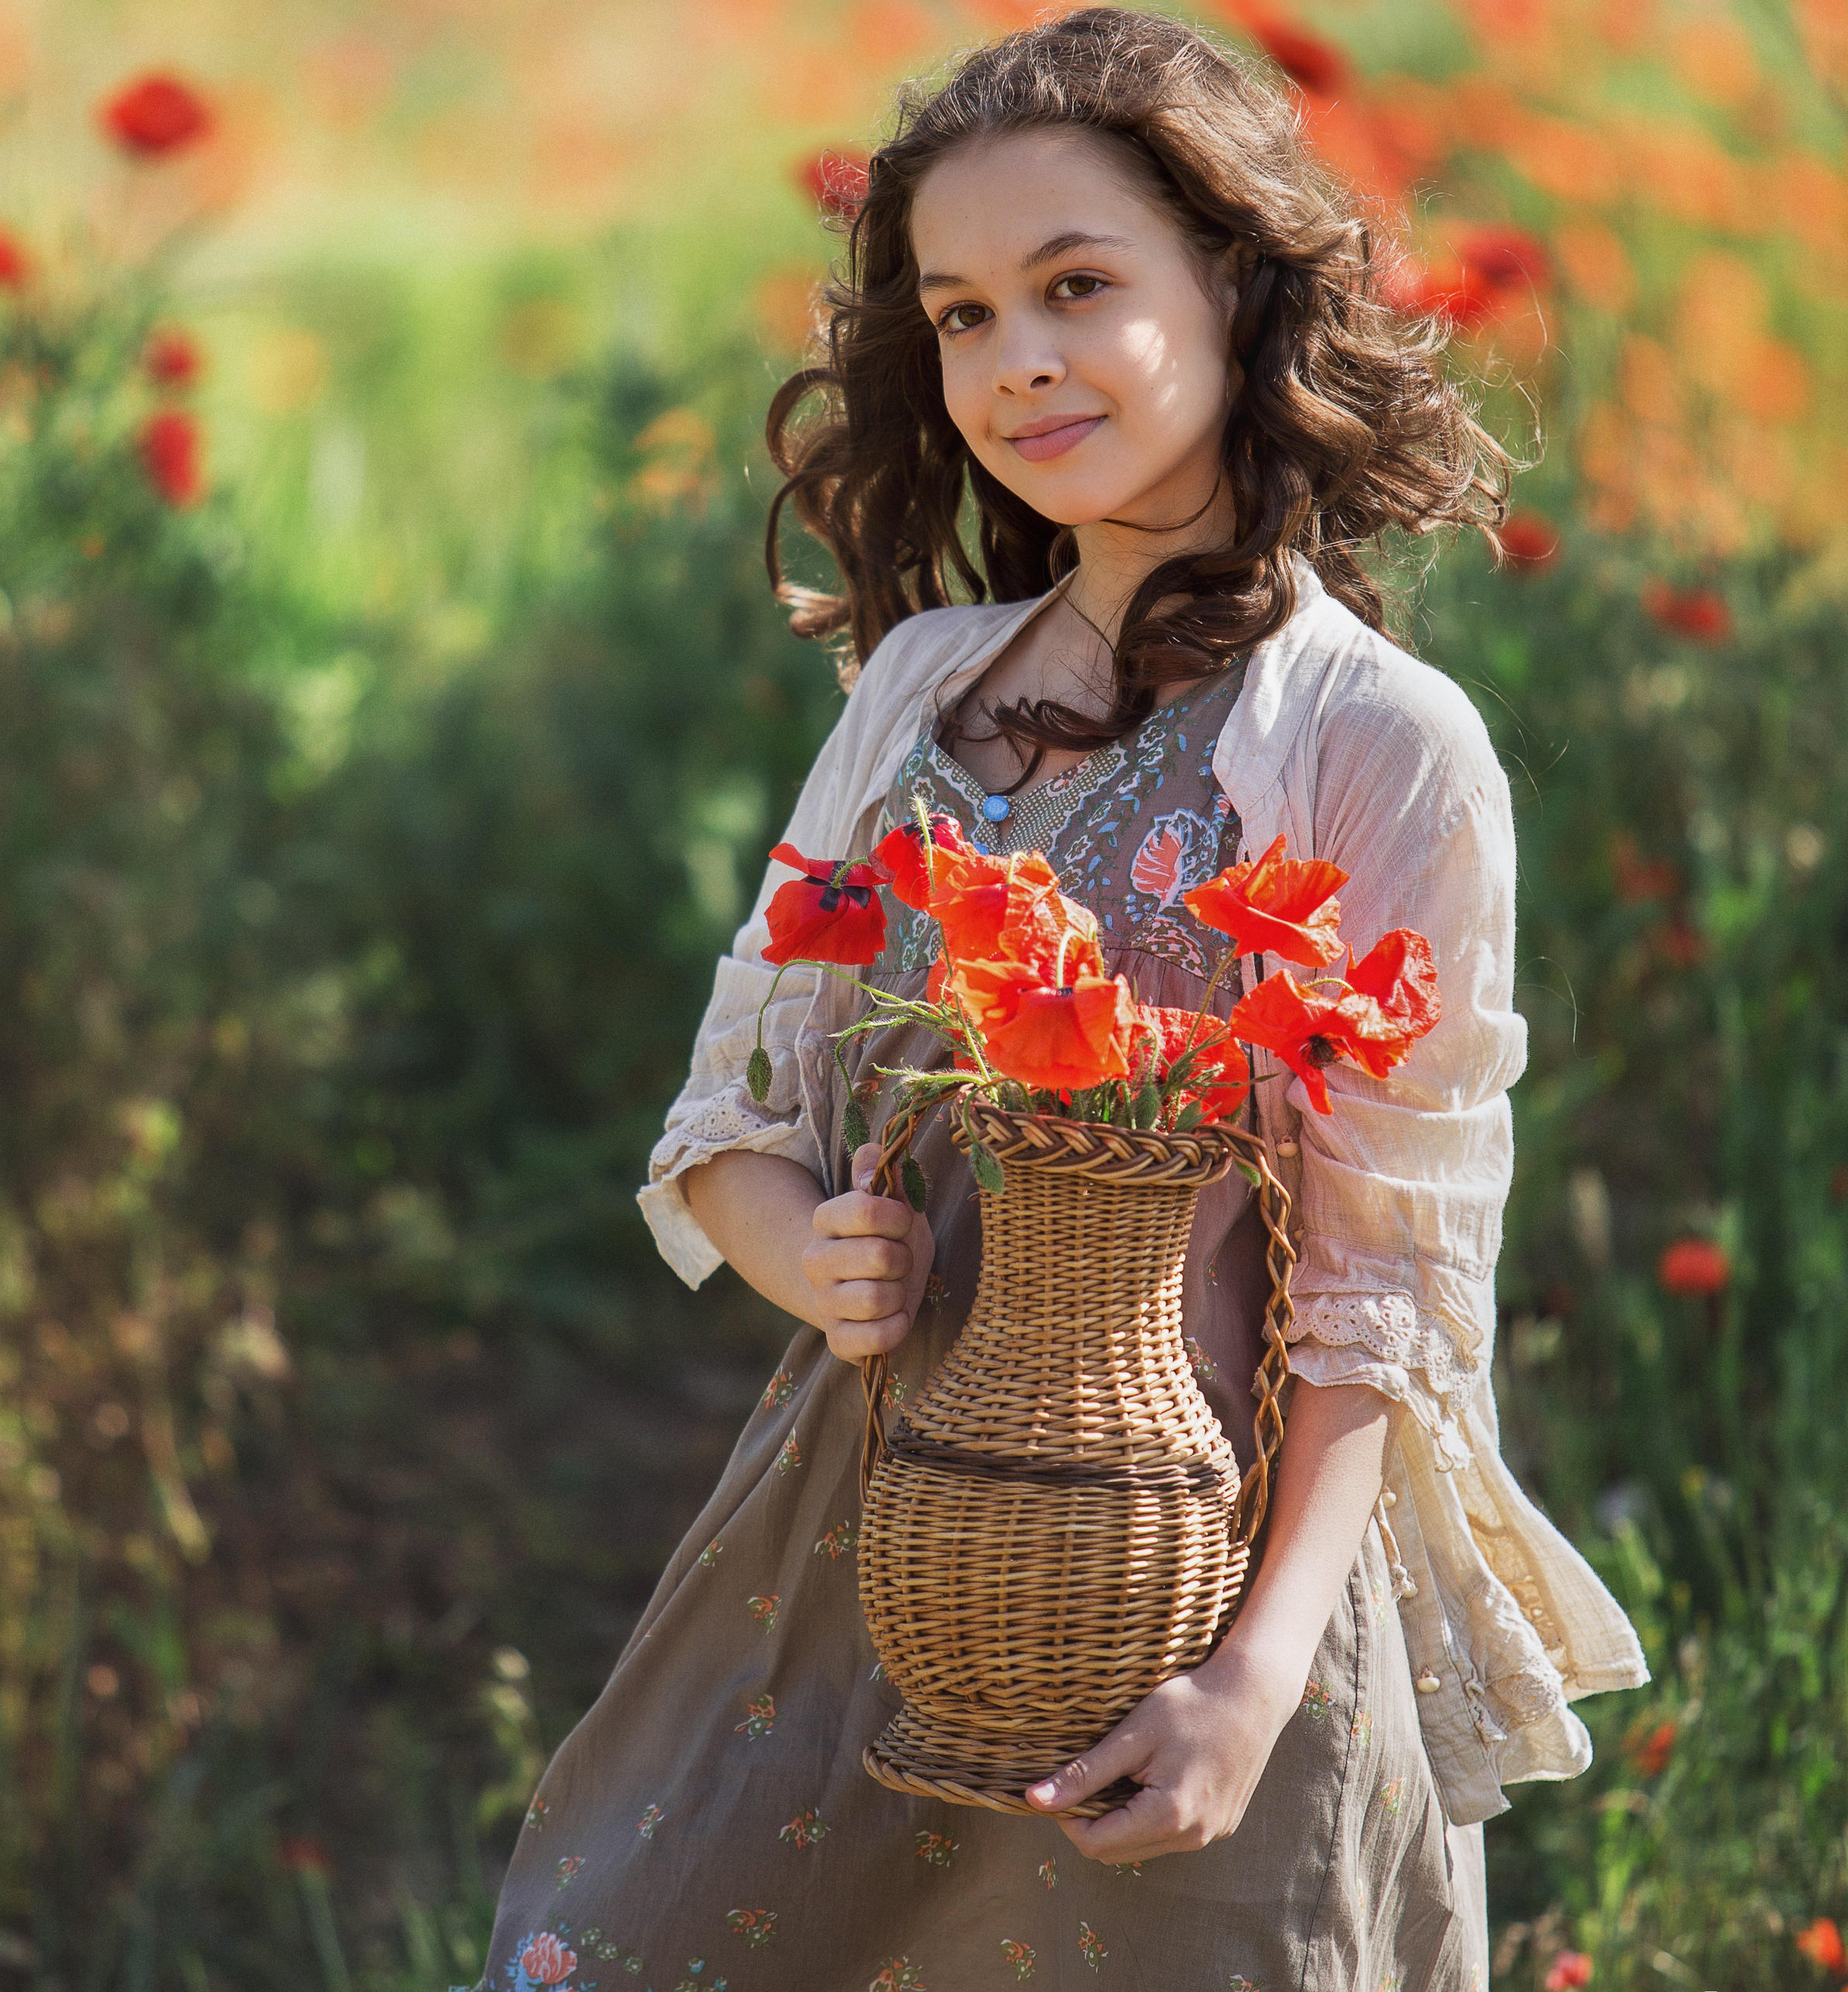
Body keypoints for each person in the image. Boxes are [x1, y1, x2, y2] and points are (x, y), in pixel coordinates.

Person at [481, 12, 1646, 1988]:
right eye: (957, 312)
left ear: (1236, 284)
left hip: (1197, 1595)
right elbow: (731, 1113)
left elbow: (1386, 1288)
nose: (1012, 358)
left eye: (1075, 286)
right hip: (865, 1555)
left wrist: (1253, 1683)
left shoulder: (1372, 742)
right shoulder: (913, 688)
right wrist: (803, 1251)